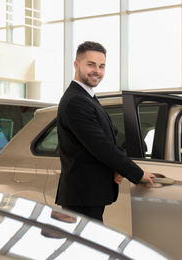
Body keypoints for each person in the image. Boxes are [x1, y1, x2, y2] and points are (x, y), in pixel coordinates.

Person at [56, 41, 155, 222]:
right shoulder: (76, 101)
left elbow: (104, 141)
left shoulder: (87, 97)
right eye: (91, 64)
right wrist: (137, 173)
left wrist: (117, 168)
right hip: (82, 196)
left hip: (88, 195)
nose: (97, 71)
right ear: (76, 65)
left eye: (102, 66)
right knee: (85, 249)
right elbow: (101, 146)